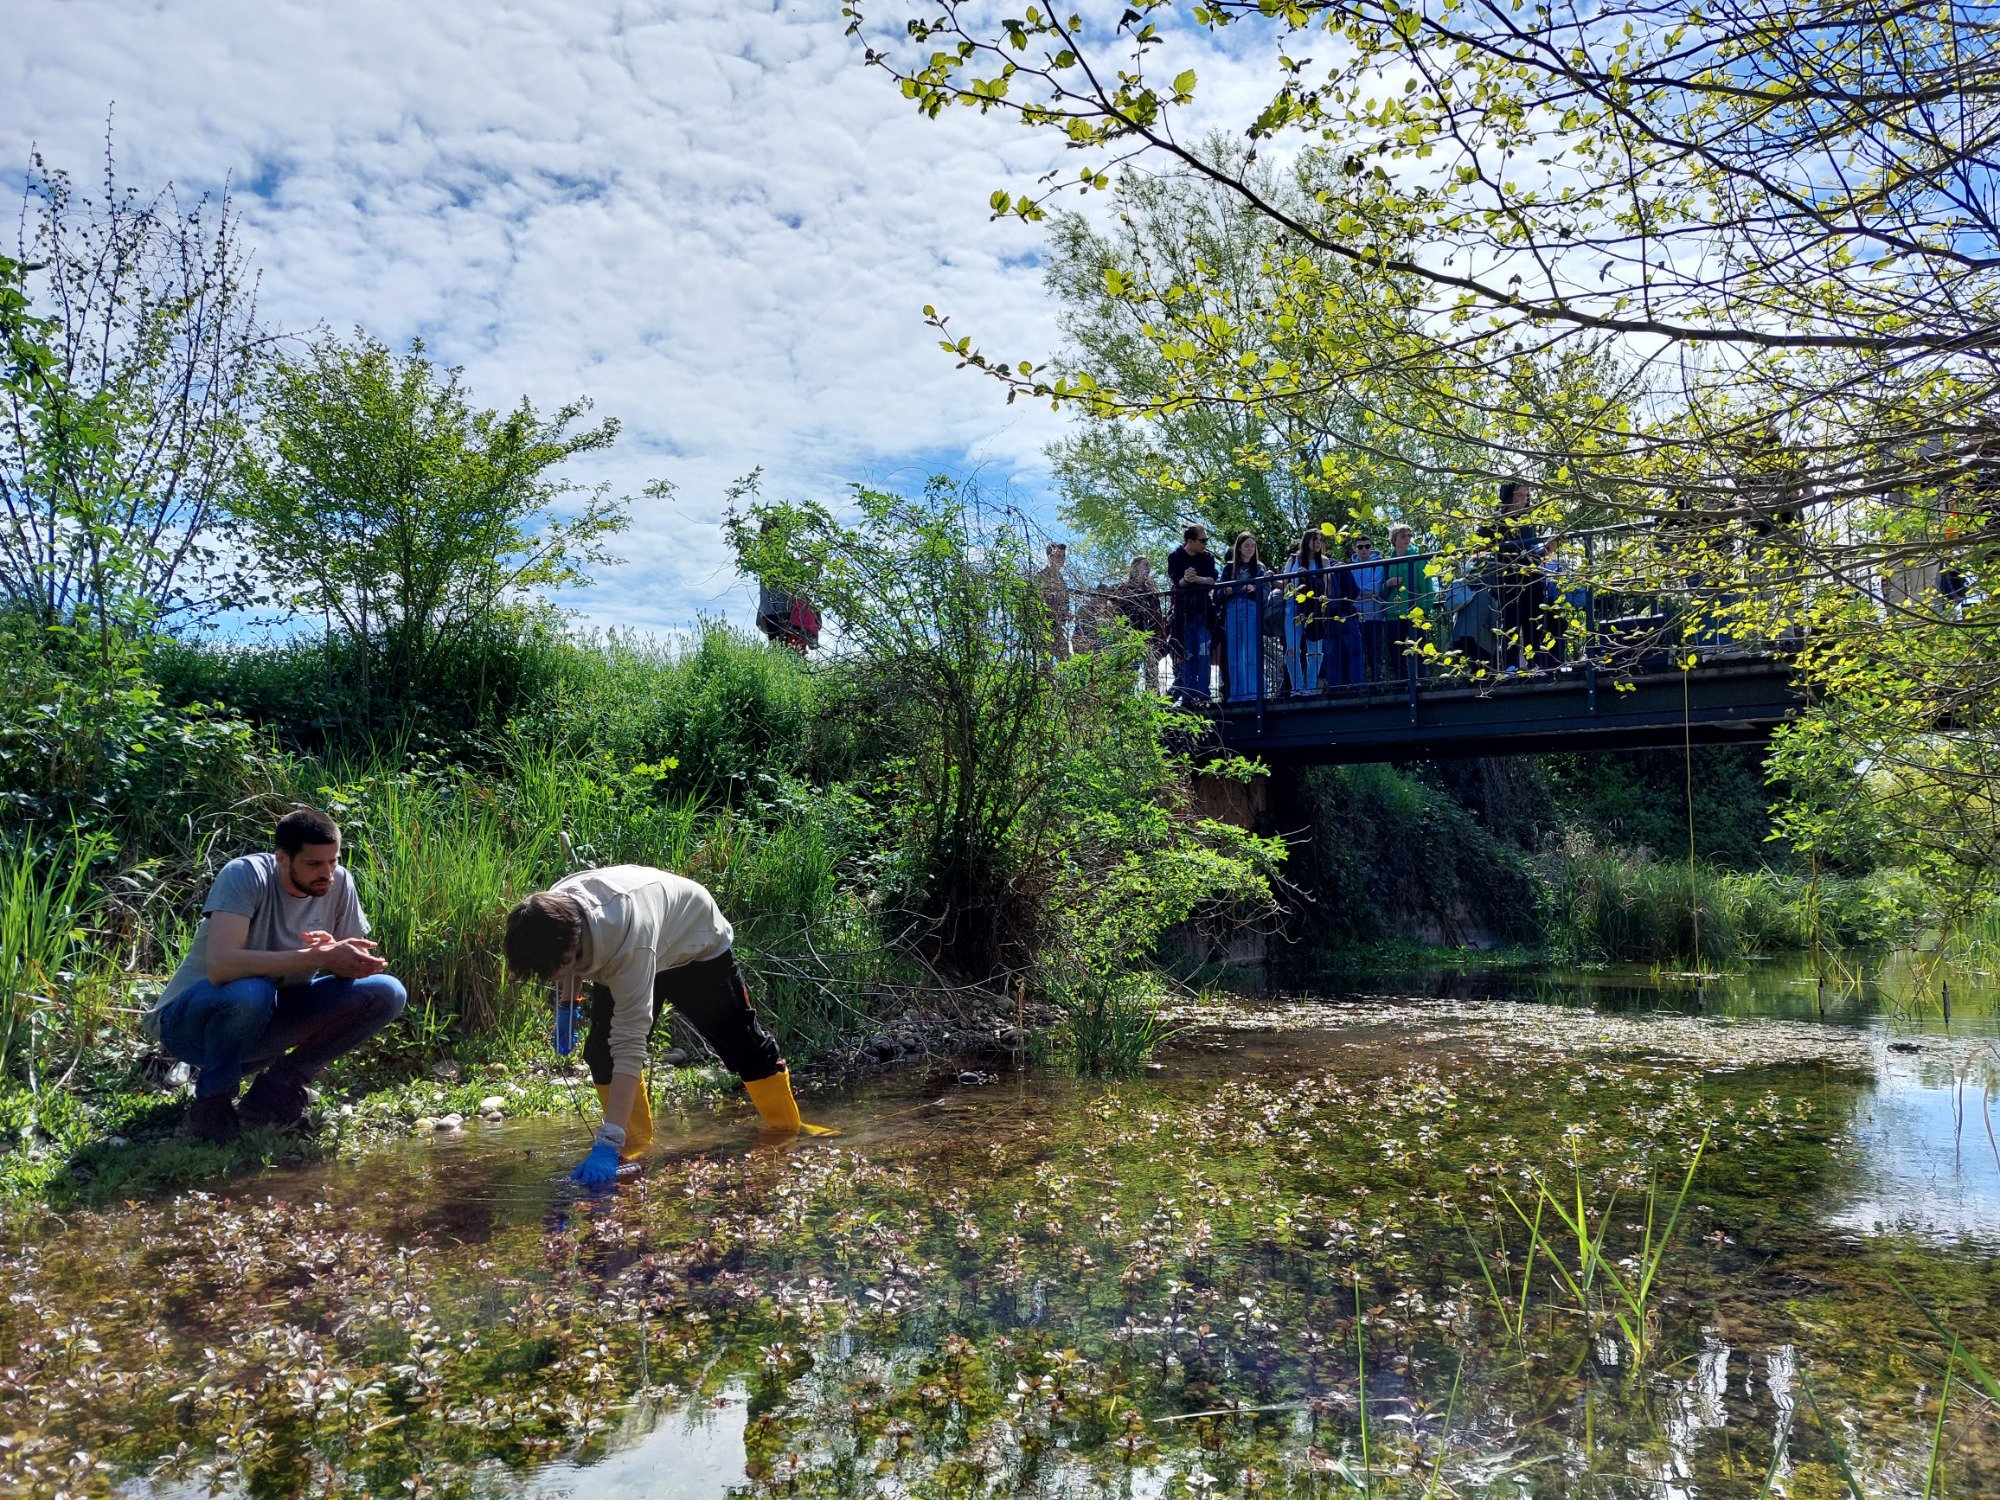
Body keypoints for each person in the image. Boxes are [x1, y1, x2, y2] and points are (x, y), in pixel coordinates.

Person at [504, 865, 829, 1188]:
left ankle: (786, 1131)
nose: (552, 977)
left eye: (554, 970)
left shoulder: (627, 943)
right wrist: (566, 1005)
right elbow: (565, 962)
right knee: (600, 1054)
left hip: (693, 943)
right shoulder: (550, 911)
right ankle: (635, 1153)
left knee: (743, 1047)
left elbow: (630, 1046)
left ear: (572, 947)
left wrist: (606, 1143)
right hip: (637, 940)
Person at [146, 809, 408, 1143]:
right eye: (314, 864)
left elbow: (343, 963)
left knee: (388, 992)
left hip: (262, 1026)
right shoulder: (244, 875)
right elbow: (221, 967)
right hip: (191, 1026)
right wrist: (314, 956)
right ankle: (212, 1103)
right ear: (282, 858)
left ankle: (275, 1090)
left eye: (334, 861)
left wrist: (347, 960)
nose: (327, 873)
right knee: (252, 991)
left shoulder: (339, 881)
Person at [1166, 524, 1219, 702]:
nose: (1206, 543)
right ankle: (1188, 696)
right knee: (1187, 654)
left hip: (1204, 612)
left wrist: (1196, 579)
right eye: (1202, 540)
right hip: (1184, 615)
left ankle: (1204, 694)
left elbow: (1212, 579)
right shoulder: (1175, 557)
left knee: (1204, 654)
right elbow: (1177, 583)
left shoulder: (1207, 558)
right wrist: (1185, 579)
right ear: (1190, 541)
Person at [1217, 532, 1270, 703]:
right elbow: (1216, 594)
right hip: (1232, 609)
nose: (1250, 549)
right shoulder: (1229, 568)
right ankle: (1237, 694)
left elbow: (1266, 593)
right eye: (1247, 545)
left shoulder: (1259, 568)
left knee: (1251, 652)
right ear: (1239, 547)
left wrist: (1255, 590)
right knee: (1234, 653)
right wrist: (1226, 591)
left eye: (1253, 546)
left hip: (1251, 609)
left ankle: (1253, 693)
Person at [1381, 522, 1434, 683]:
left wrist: (1425, 609)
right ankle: (1402, 686)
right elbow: (1381, 591)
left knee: (1419, 651)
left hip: (1414, 612)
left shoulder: (1418, 558)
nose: (1407, 539)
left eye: (1409, 535)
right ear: (1394, 539)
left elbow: (1427, 585)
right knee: (1396, 653)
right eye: (1403, 536)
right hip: (1393, 614)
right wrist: (1387, 584)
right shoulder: (1387, 561)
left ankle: (1422, 683)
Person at [1284, 527, 1333, 694]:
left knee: (1316, 651)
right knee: (1292, 649)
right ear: (1307, 541)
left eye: (1321, 540)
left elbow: (1325, 588)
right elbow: (1285, 585)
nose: (1318, 543)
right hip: (1292, 608)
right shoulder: (1293, 560)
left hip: (1315, 610)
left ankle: (1310, 689)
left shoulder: (1324, 561)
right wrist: (1270, 578)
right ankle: (1297, 688)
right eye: (1315, 539)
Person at [1112, 555, 1169, 689]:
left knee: (1151, 671)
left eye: (1149, 566)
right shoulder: (1123, 589)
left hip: (1148, 636)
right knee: (1129, 671)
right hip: (1129, 636)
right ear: (1135, 568)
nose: (1148, 569)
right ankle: (1128, 698)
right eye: (1145, 565)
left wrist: (1159, 638)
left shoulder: (1150, 591)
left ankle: (1154, 701)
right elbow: (1116, 611)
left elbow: (1157, 617)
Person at [1350, 535, 1387, 682]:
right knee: (1357, 654)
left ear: (1371, 547)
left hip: (1375, 615)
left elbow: (1375, 589)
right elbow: (1350, 592)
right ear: (1355, 549)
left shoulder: (1379, 565)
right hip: (1356, 616)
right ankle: (1359, 687)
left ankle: (1377, 685)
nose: (1364, 549)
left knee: (1375, 654)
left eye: (1367, 546)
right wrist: (1362, 592)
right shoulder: (1350, 567)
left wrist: (1358, 592)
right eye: (1360, 547)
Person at [1036, 542, 1073, 661]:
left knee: (1066, 659)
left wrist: (1066, 615)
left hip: (1058, 627)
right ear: (1050, 557)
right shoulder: (1042, 577)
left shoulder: (1062, 581)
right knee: (1045, 661)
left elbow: (1066, 603)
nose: (1061, 559)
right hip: (1044, 625)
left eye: (1063, 556)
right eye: (1058, 556)